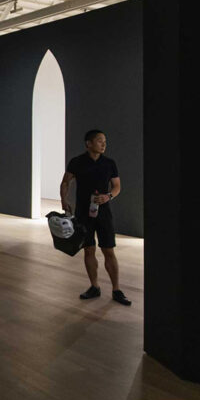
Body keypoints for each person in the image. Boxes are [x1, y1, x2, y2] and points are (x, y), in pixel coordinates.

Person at [60, 129, 130, 306]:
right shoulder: (77, 162)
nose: (104, 144)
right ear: (88, 143)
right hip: (83, 213)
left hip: (104, 213)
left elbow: (116, 186)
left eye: (105, 141)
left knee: (108, 250)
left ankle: (116, 289)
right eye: (100, 141)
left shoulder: (109, 163)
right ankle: (94, 286)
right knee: (89, 249)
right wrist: (63, 199)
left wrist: (108, 196)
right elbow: (66, 181)